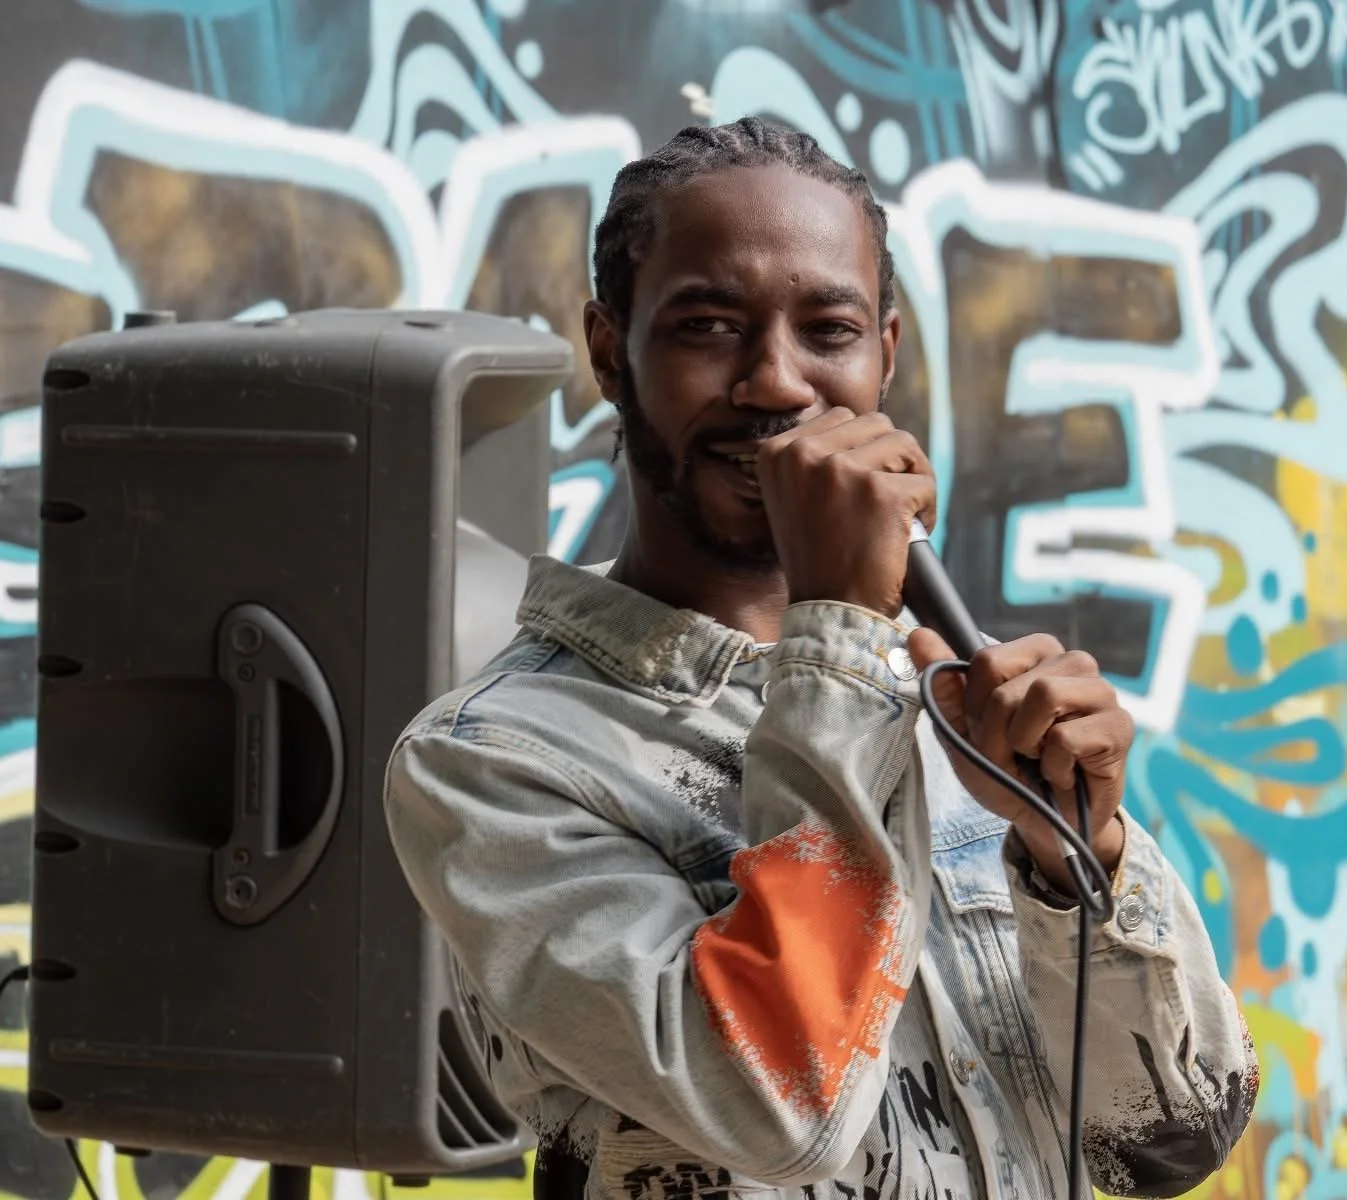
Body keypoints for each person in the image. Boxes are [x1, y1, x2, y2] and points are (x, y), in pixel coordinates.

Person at [384, 117, 1257, 1200]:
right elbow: (777, 1106)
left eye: (828, 331)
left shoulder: (955, 704)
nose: (777, 384)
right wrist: (837, 629)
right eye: (709, 327)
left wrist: (1071, 859)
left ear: (884, 354)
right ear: (611, 351)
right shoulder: (491, 762)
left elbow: (1172, 1139)